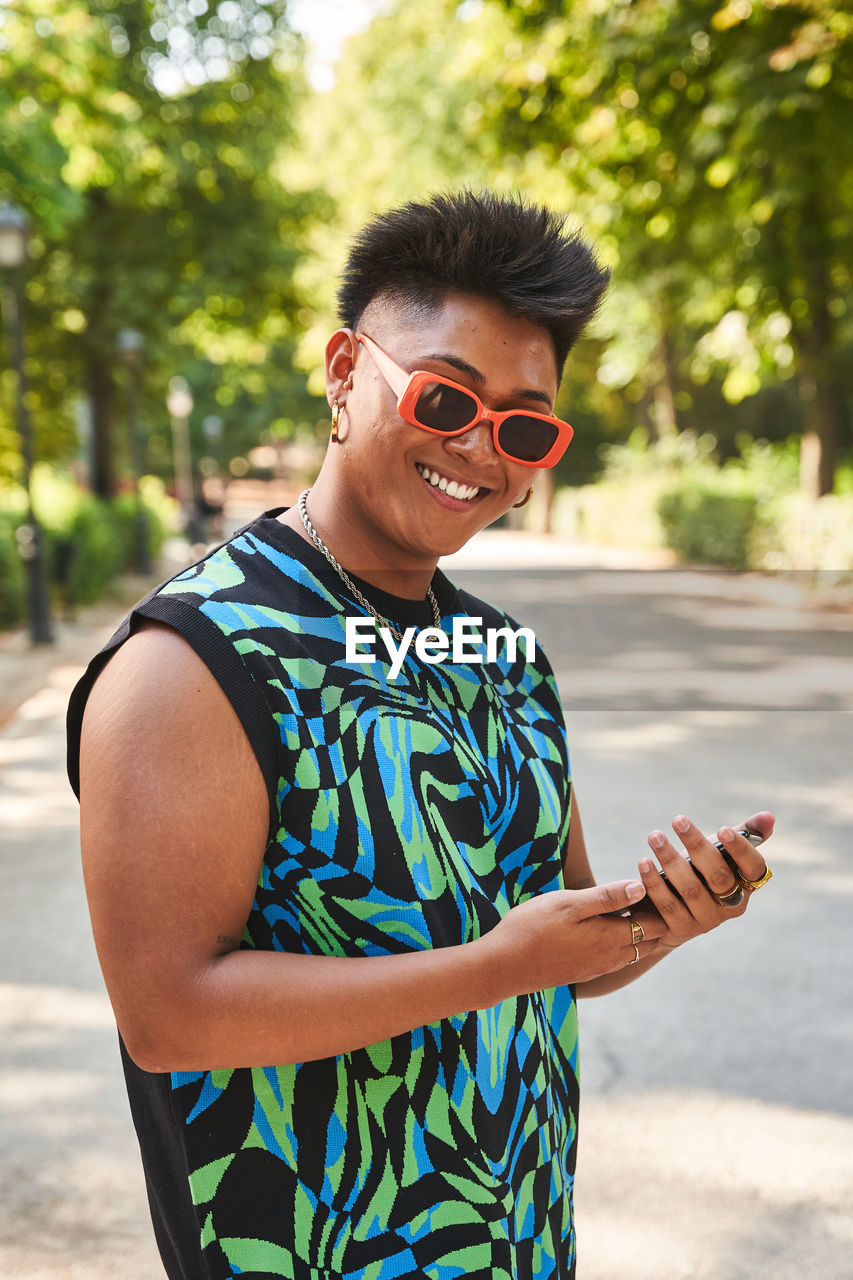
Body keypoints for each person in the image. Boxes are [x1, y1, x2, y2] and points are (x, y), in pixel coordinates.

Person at [67, 191, 774, 1280]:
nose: (480, 449)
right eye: (446, 397)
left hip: (521, 1241)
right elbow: (168, 1014)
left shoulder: (504, 654)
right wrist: (494, 966)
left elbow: (557, 958)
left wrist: (659, 922)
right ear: (346, 371)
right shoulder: (191, 659)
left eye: (524, 425)